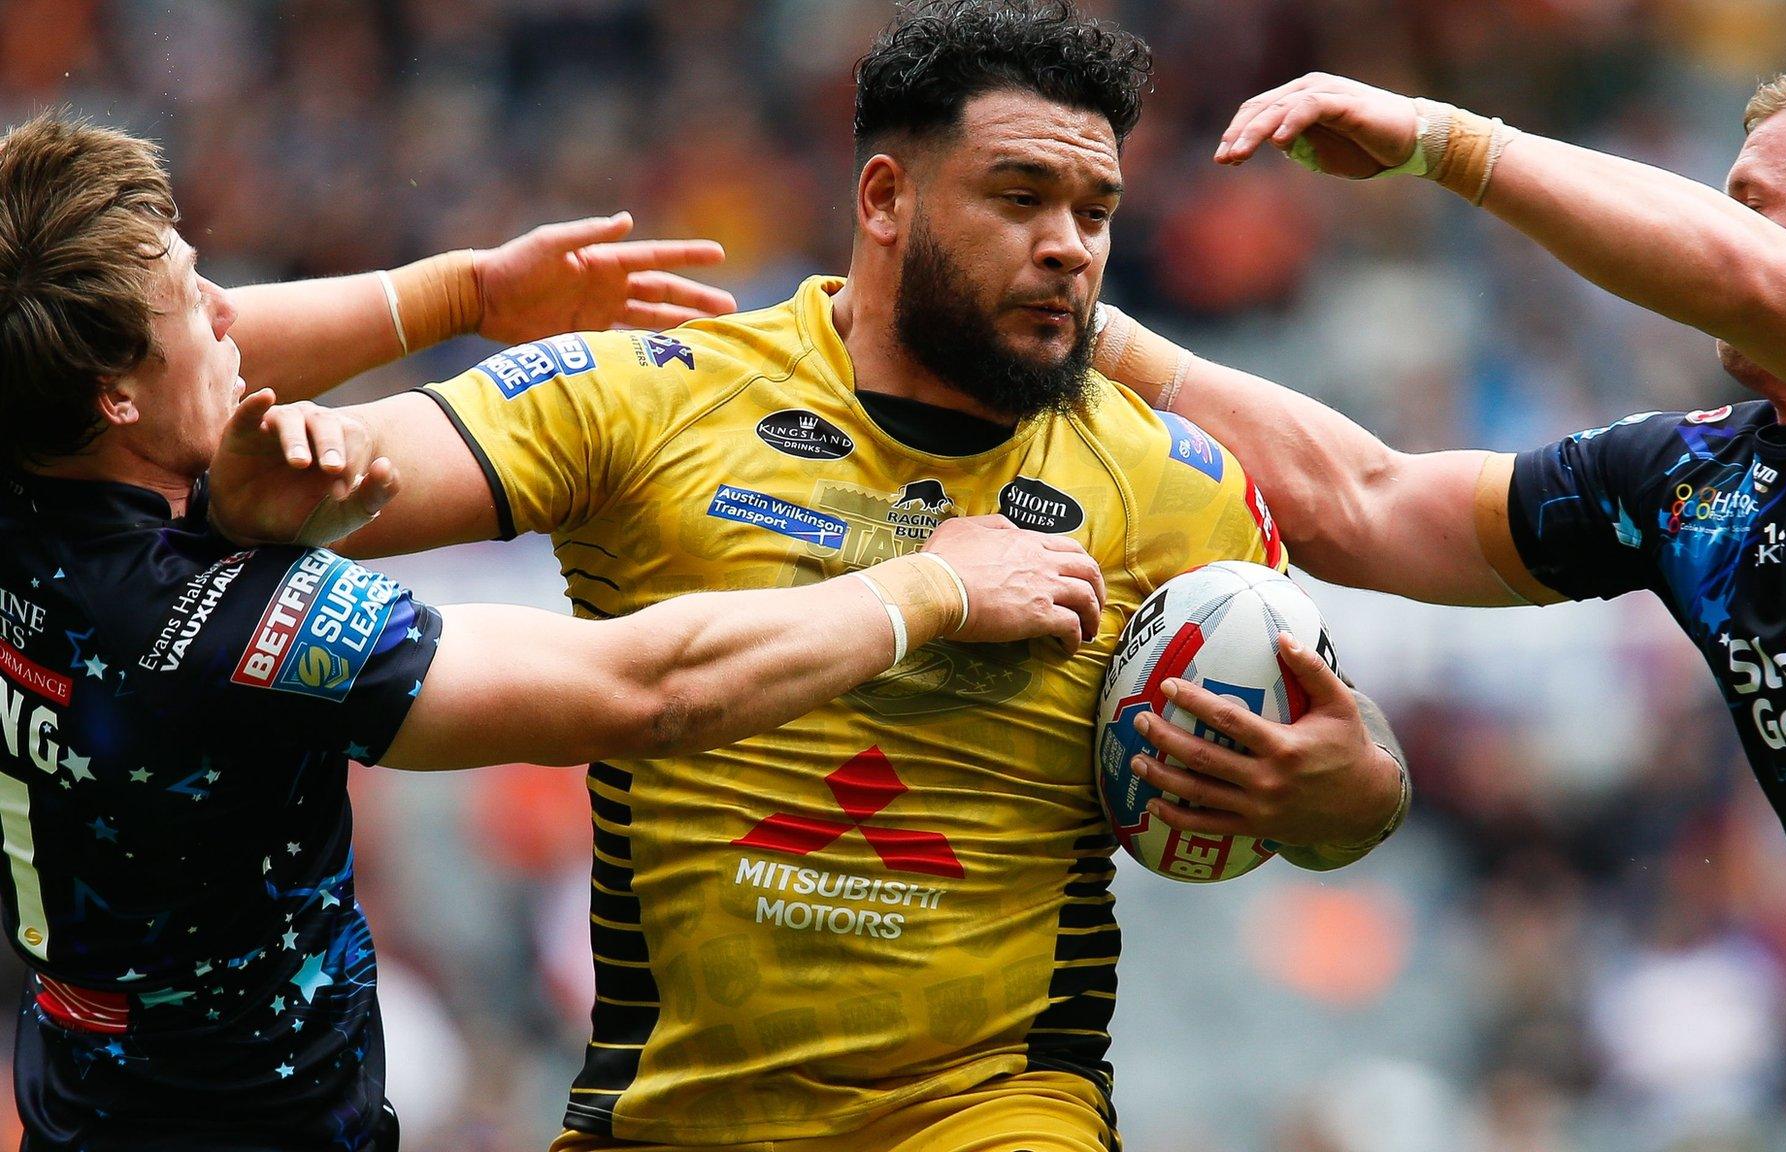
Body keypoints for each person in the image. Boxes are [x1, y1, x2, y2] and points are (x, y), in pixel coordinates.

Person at [206, 3, 1413, 1149]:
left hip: (991, 1108)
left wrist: (1343, 790)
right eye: (1019, 196)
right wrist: (299, 460)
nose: (1067, 246)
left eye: (1094, 211)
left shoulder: (1174, 486)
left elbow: (1348, 781)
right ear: (883, 198)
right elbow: (288, 474)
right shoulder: (653, 396)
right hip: (668, 1110)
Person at [0, 110, 1104, 1152]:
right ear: (115, 401)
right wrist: (929, 590)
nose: (237, 314)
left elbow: (186, 345)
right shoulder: (226, 626)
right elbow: (644, 690)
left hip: (81, 1096)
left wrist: (466, 290)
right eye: (197, 301)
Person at [1088, 48, 1786, 1152]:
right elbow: (1364, 503)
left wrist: (1444, 141)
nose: (1705, 228)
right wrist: (1087, 333)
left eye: (1743, 205)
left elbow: (1744, 280)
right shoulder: (1691, 485)